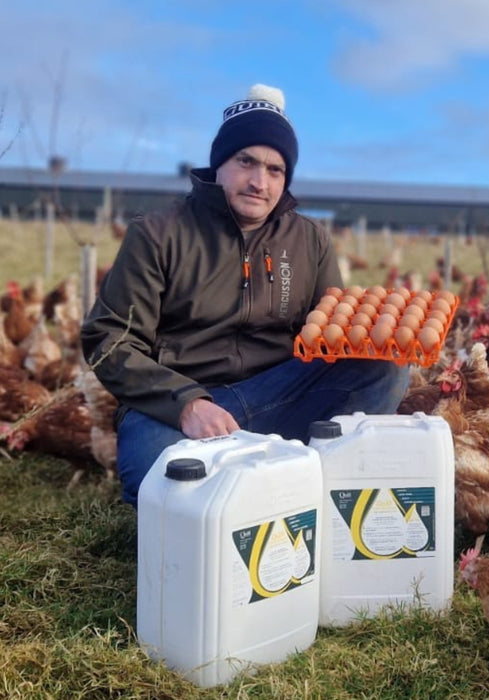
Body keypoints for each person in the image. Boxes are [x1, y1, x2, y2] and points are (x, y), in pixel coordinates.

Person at [81, 84, 410, 507]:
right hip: (178, 404)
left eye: (275, 170)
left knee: (384, 371)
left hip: (274, 394)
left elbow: (332, 335)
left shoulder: (308, 239)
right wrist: (185, 404)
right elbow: (110, 339)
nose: (260, 182)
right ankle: (267, 478)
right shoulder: (159, 233)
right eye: (246, 162)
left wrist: (385, 336)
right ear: (220, 164)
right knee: (158, 471)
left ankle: (300, 482)